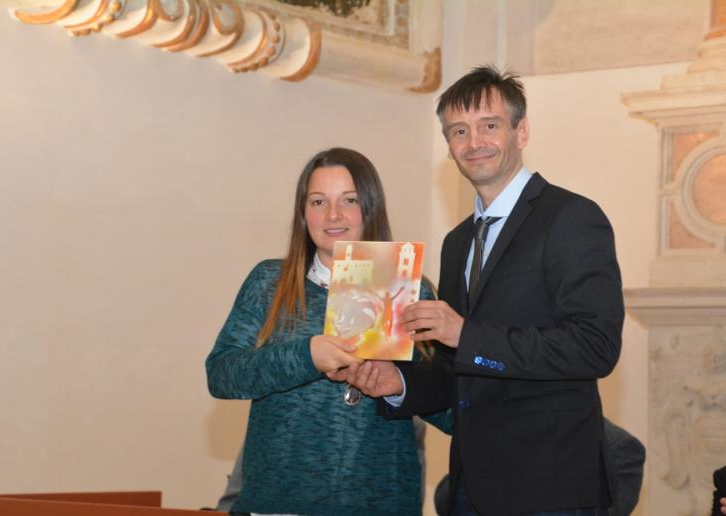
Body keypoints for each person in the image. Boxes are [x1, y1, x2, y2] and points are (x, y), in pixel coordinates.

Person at [334, 66, 624, 515]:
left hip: (550, 485)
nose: (474, 142)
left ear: (521, 132)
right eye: (459, 131)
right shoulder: (458, 241)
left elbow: (595, 347)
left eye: (490, 125)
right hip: (470, 485)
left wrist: (466, 335)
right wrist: (399, 384)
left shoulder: (571, 217)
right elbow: (457, 368)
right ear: (449, 146)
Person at [205, 147, 448, 516]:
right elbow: (222, 375)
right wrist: (307, 356)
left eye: (349, 200)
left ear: (370, 208)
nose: (334, 215)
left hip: (379, 502)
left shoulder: (411, 291)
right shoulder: (269, 282)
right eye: (318, 202)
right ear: (303, 214)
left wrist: (401, 385)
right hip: (278, 502)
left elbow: (454, 413)